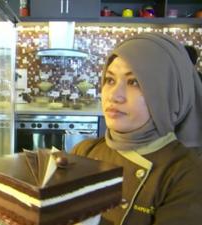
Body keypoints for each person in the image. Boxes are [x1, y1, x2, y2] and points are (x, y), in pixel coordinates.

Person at [71, 33, 202, 225]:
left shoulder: (186, 174)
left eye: (134, 82)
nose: (114, 96)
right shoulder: (85, 151)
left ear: (167, 93)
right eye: (110, 80)